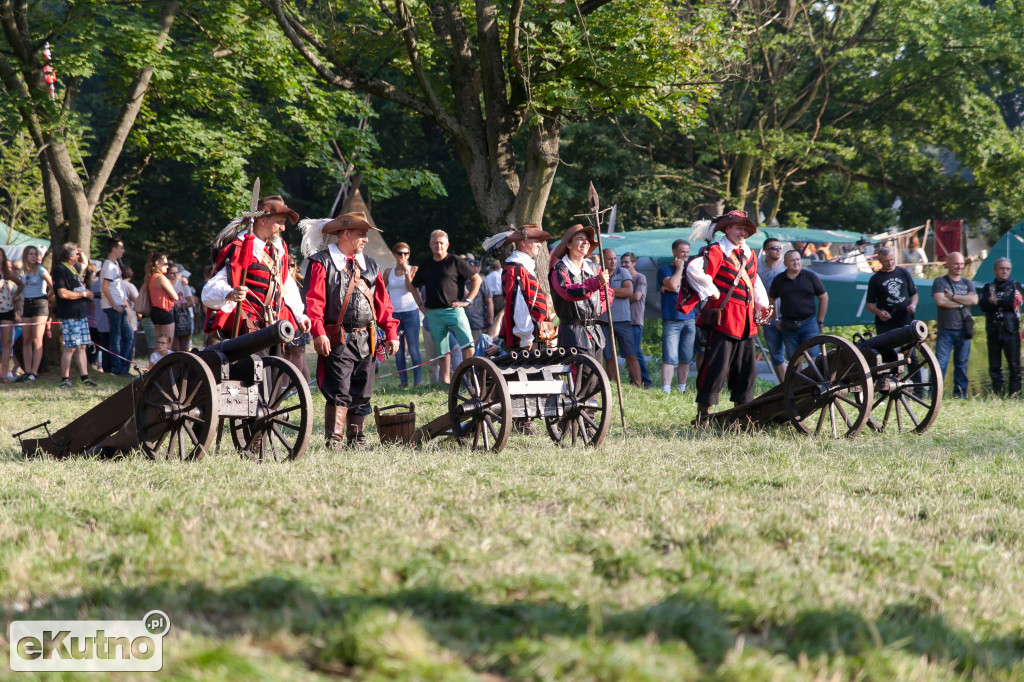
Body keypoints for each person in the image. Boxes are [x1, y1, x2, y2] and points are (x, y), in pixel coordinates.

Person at [302, 212, 400, 448]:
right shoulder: (322, 262)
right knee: (339, 390)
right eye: (361, 234)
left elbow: (383, 303)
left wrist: (391, 333)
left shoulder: (371, 265)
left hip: (367, 337)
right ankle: (334, 441)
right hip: (337, 337)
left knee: (362, 390)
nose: (366, 240)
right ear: (345, 233)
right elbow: (314, 302)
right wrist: (319, 332)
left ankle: (357, 440)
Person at [681, 210, 770, 424]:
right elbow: (693, 269)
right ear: (727, 229)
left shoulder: (749, 253)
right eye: (739, 228)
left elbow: (754, 280)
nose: (743, 233)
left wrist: (762, 304)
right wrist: (712, 291)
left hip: (747, 320)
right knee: (716, 367)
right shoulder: (716, 250)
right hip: (725, 318)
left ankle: (742, 412)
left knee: (745, 369)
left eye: (746, 229)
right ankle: (704, 414)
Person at [203, 195, 311, 343]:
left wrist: (299, 315)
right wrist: (230, 293)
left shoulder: (280, 248)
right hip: (248, 329)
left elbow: (285, 284)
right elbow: (210, 289)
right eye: (279, 222)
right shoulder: (238, 248)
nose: (283, 228)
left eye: (283, 223)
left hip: (274, 325)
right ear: (262, 220)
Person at [410, 230, 480, 384]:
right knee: (442, 351)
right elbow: (412, 286)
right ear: (430, 244)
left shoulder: (456, 261)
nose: (438, 245)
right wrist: (420, 304)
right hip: (434, 313)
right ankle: (447, 382)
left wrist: (468, 300)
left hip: (455, 310)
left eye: (441, 243)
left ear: (447, 244)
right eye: (435, 242)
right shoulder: (426, 264)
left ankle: (470, 377)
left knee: (468, 344)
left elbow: (477, 280)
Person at [549, 224, 611, 362]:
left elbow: (607, 293)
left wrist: (599, 307)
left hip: (595, 332)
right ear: (569, 245)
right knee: (583, 377)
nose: (586, 242)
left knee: (597, 379)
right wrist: (595, 283)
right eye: (580, 238)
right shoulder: (559, 270)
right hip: (573, 333)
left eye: (587, 240)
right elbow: (568, 292)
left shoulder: (595, 268)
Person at [931, 252, 978, 398]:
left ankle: (960, 395)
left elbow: (974, 301)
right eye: (956, 263)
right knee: (940, 365)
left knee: (962, 366)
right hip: (946, 330)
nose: (960, 267)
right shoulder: (940, 282)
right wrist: (962, 303)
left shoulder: (967, 283)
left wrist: (952, 297)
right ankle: (934, 396)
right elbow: (941, 301)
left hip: (964, 330)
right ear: (948, 264)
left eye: (962, 264)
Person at [500, 225, 553, 351]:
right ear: (523, 242)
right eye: (536, 241)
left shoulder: (523, 267)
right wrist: (526, 336)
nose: (540, 245)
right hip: (527, 338)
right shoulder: (516, 269)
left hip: (536, 332)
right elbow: (519, 305)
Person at [51, 242, 98, 387]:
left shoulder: (74, 269)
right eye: (76, 254)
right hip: (69, 313)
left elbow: (85, 263)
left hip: (81, 313)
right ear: (71, 256)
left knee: (82, 346)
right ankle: (64, 379)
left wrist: (81, 252)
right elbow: (62, 293)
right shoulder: (60, 269)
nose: (79, 256)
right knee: (70, 347)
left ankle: (84, 376)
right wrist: (83, 293)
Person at [768, 249, 828, 360]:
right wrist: (775, 318)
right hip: (788, 325)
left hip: (809, 323)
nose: (796, 263)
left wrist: (820, 320)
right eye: (792, 260)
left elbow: (824, 297)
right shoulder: (779, 280)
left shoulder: (810, 277)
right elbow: (772, 298)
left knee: (814, 356)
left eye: (798, 259)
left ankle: (815, 378)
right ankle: (798, 378)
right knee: (794, 359)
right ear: (785, 263)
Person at [978, 258, 1023, 396]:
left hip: (1010, 331)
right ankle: (998, 395)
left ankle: (1014, 396)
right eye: (1002, 268)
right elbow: (984, 306)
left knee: (1014, 366)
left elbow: (1012, 304)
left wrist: (995, 301)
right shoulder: (988, 287)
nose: (1004, 271)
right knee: (994, 367)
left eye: (1007, 269)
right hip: (993, 330)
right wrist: (1001, 303)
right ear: (995, 270)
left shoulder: (1015, 286)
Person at [599, 249, 642, 387]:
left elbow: (628, 291)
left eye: (614, 258)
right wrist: (616, 291)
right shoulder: (598, 274)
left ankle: (638, 386)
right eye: (609, 259)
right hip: (603, 321)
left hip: (623, 320)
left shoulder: (623, 272)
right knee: (609, 356)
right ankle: (611, 385)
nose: (613, 262)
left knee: (630, 355)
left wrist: (607, 290)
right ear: (603, 260)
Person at [658, 239, 696, 393]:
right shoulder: (664, 270)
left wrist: (667, 287)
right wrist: (679, 269)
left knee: (686, 358)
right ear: (674, 252)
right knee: (669, 357)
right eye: (682, 252)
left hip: (690, 318)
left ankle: (682, 389)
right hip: (672, 319)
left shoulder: (692, 271)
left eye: (687, 252)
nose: (686, 255)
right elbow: (673, 285)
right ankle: (666, 390)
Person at [383, 242, 422, 388]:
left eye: (406, 253)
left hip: (411, 313)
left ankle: (417, 382)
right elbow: (382, 291)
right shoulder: (388, 272)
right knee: (398, 350)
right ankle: (403, 381)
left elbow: (410, 288)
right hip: (394, 314)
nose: (403, 256)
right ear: (394, 254)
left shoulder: (414, 269)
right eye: (400, 253)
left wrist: (406, 271)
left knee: (413, 349)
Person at [17, 245, 52, 382]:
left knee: (37, 339)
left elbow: (52, 286)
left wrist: (46, 299)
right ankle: (27, 370)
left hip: (40, 304)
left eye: (35, 254)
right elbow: (19, 286)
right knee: (26, 339)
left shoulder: (41, 269)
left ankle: (34, 371)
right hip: (27, 303)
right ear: (25, 256)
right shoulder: (22, 271)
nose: (33, 256)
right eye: (30, 254)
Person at [99, 237, 133, 376]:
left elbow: (116, 287)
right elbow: (105, 287)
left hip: (119, 305)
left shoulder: (115, 265)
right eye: (121, 248)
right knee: (116, 338)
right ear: (114, 249)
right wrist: (114, 306)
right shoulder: (109, 266)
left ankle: (123, 367)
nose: (123, 251)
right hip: (114, 307)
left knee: (128, 337)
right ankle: (117, 368)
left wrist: (123, 301)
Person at [865, 247, 918, 334]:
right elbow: (869, 304)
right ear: (880, 261)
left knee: (909, 344)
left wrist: (913, 305)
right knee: (885, 346)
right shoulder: (875, 279)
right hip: (886, 324)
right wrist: (879, 312)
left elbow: (914, 294)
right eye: (886, 261)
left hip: (906, 320)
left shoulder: (904, 273)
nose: (890, 263)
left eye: (892, 259)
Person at [756, 237, 788, 382]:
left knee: (796, 353)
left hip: (788, 317)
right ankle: (784, 385)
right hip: (769, 319)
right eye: (774, 248)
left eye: (779, 248)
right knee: (776, 354)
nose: (778, 250)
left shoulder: (787, 268)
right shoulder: (759, 272)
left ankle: (798, 385)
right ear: (766, 252)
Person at [621, 252, 652, 388]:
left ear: (634, 263)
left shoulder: (640, 278)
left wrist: (619, 296)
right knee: (629, 352)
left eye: (627, 262)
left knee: (635, 351)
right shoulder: (622, 278)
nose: (624, 265)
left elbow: (637, 296)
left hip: (635, 320)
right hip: (623, 319)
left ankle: (646, 381)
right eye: (622, 262)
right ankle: (634, 379)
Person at [283, 257, 311, 382]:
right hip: (284, 319)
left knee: (298, 352)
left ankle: (300, 385)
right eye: (287, 265)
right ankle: (284, 386)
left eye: (292, 265)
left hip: (300, 320)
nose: (289, 267)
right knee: (285, 353)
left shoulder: (301, 281)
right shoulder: (280, 279)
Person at [0, 248, 25, 383]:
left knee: (6, 342)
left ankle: (4, 374)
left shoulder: (6, 273)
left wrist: (14, 295)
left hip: (7, 310)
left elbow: (20, 284)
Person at [145, 253, 179, 345]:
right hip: (165, 311)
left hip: (155, 311)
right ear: (157, 263)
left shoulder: (151, 277)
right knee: (167, 344)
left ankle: (158, 359)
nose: (167, 266)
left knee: (159, 344)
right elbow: (175, 296)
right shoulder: (160, 277)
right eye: (165, 264)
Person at [167, 264, 196, 352]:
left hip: (183, 317)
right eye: (172, 273)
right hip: (171, 316)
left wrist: (180, 306)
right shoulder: (165, 284)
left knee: (184, 346)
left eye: (177, 273)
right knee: (175, 347)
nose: (175, 275)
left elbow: (191, 302)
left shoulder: (182, 284)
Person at [464, 258, 495, 342]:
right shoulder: (456, 282)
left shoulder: (481, 281)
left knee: (478, 353)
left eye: (471, 265)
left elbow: (489, 303)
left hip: (478, 325)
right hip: (460, 326)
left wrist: (489, 323)